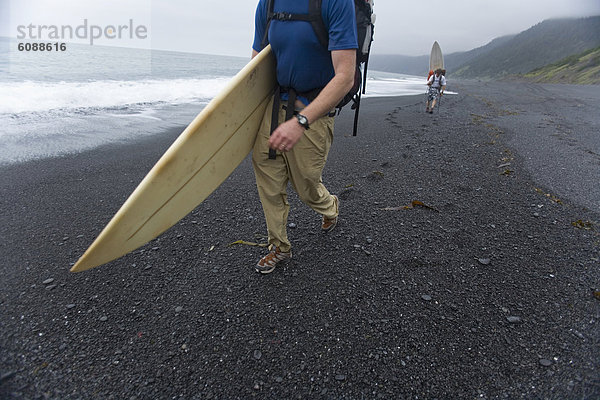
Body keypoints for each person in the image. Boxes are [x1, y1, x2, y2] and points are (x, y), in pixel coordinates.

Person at [250, 0, 358, 274]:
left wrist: (301, 121)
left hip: (313, 109)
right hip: (274, 106)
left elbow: (345, 77)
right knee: (267, 173)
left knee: (306, 184)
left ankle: (330, 206)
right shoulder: (269, 3)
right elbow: (256, 64)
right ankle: (279, 245)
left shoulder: (335, 2)